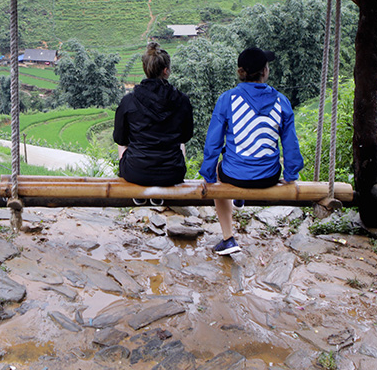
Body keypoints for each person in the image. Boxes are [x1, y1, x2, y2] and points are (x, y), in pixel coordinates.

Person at [200, 47, 303, 255]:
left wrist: (208, 176)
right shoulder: (282, 101)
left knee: (220, 171)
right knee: (259, 160)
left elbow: (213, 143)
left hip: (233, 174)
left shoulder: (227, 100)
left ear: (240, 72)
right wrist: (290, 175)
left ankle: (228, 238)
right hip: (269, 176)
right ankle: (239, 199)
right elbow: (290, 144)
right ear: (265, 72)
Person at [113, 42, 194, 187]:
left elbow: (120, 138)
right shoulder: (182, 100)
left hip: (136, 172)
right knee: (180, 144)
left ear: (145, 69)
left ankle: (138, 191)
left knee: (122, 145)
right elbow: (186, 136)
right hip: (172, 172)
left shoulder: (129, 101)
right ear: (166, 70)